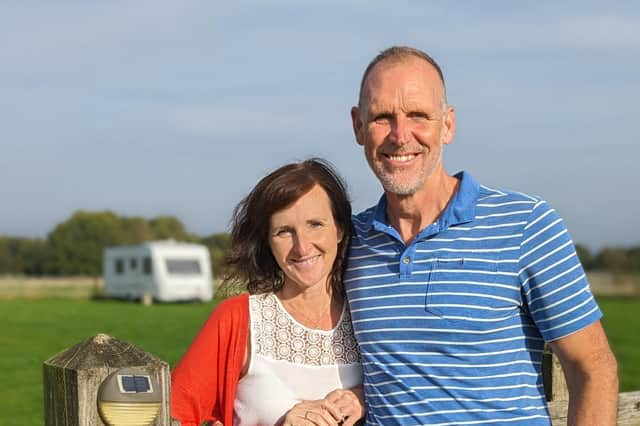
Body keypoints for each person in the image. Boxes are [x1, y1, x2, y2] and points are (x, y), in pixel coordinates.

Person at [345, 46, 619, 425]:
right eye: (382, 117)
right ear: (358, 126)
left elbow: (593, 367)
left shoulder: (525, 224)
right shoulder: (348, 243)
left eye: (418, 115)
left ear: (448, 125)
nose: (400, 134)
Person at [171, 159, 364, 426]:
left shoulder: (368, 316)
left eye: (315, 224)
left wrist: (365, 399)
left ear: (340, 229)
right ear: (267, 242)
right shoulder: (237, 319)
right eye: (284, 232)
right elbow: (171, 416)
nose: (302, 247)